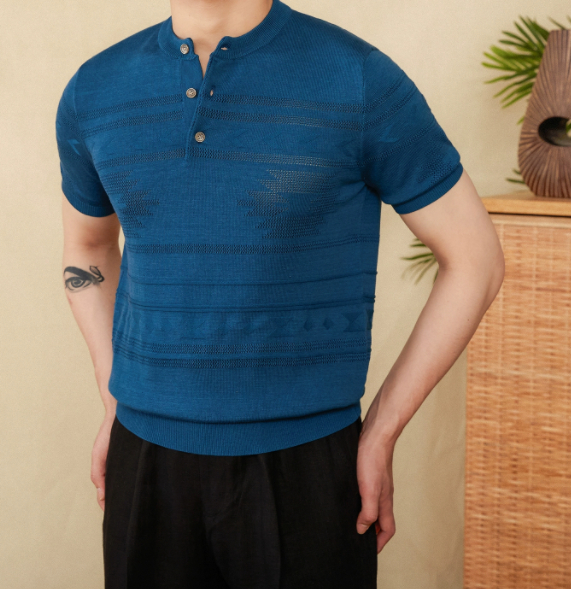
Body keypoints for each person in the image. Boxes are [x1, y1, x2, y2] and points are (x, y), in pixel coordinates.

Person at [55, 0, 504, 587]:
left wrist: (382, 430)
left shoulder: (357, 78)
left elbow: (476, 260)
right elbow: (87, 248)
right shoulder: (94, 89)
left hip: (307, 466)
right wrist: (115, 393)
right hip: (144, 460)